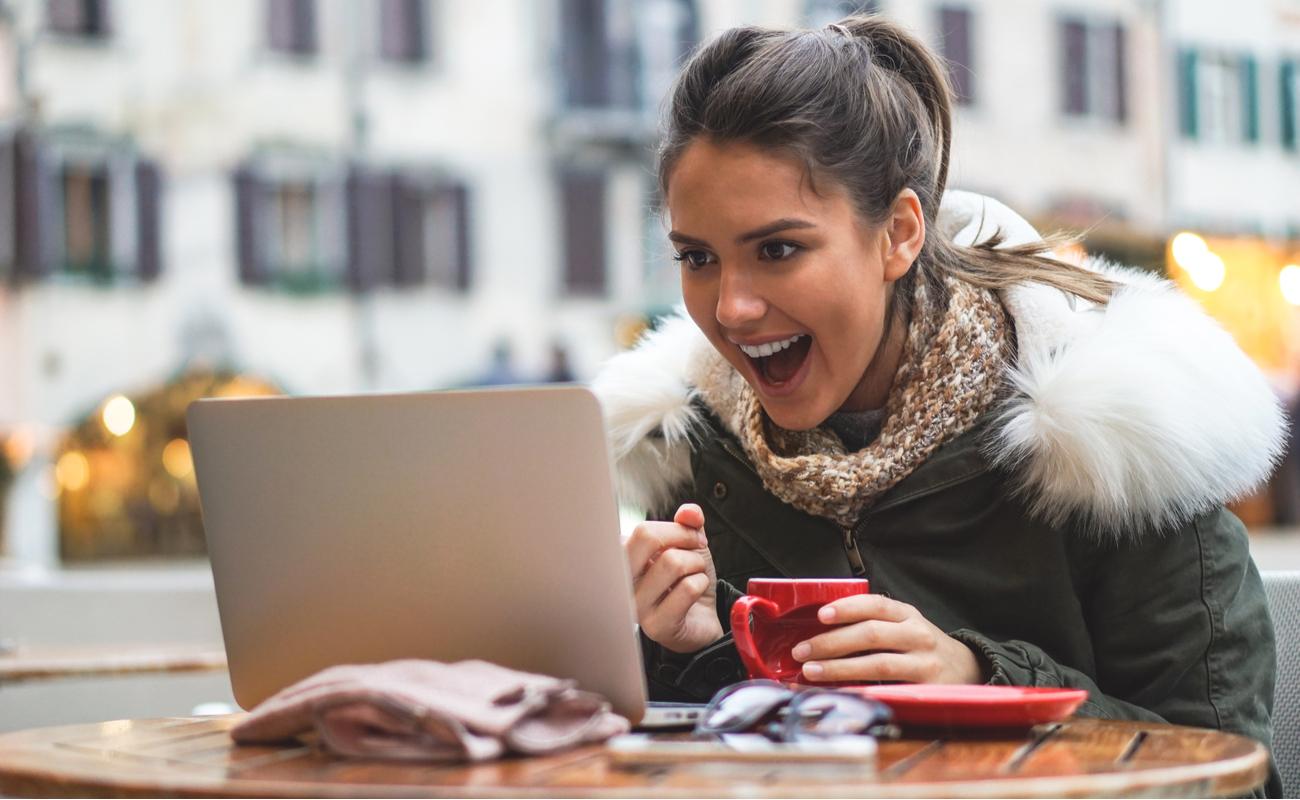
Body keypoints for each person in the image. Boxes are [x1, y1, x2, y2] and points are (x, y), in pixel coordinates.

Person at [590, 15, 1285, 797]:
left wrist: (982, 681)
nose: (732, 307)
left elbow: (1231, 779)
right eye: (698, 258)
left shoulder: (1127, 443)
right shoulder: (694, 452)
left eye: (778, 249)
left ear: (898, 234)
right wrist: (693, 648)